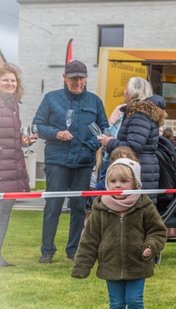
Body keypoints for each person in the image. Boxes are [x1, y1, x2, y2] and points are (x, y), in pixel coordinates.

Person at [33, 59, 108, 264]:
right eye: (74, 78)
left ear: (85, 79)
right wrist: (56, 133)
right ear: (65, 78)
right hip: (57, 161)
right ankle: (47, 251)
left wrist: (93, 144)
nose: (78, 82)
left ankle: (73, 250)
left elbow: (103, 127)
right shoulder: (51, 99)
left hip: (84, 162)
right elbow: (37, 125)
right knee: (53, 206)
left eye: (81, 78)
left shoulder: (94, 101)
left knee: (78, 207)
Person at [72, 158, 167, 309]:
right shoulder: (100, 208)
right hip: (110, 265)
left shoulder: (144, 205)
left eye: (123, 181)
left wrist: (151, 245)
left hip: (137, 264)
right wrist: (81, 266)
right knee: (116, 303)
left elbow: (158, 231)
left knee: (135, 300)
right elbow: (89, 239)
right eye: (113, 181)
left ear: (135, 183)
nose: (117, 185)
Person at [99, 95, 167, 200]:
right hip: (147, 167)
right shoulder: (150, 117)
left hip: (137, 166)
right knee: (144, 207)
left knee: (134, 206)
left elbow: (134, 147)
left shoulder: (140, 116)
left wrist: (109, 142)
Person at [0, 63, 34, 267]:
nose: (10, 83)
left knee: (4, 214)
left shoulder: (14, 106)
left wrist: (23, 140)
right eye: (5, 80)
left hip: (11, 170)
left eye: (13, 80)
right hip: (2, 171)